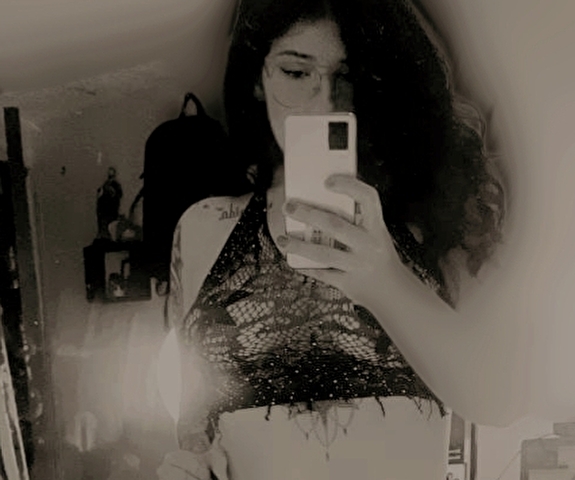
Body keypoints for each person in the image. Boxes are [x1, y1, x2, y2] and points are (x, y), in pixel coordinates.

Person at [158, 0, 524, 478]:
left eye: (348, 75)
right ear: (257, 78)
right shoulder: (205, 225)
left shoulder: (441, 214)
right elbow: (191, 419)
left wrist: (385, 279)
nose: (324, 102)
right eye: (295, 72)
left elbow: (498, 400)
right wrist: (192, 464)